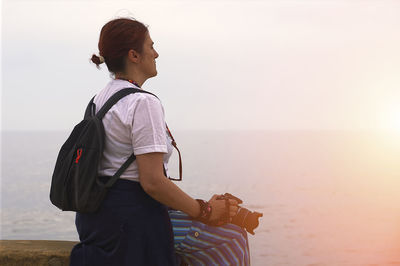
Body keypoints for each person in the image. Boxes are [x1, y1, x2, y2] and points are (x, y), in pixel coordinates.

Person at [69, 17, 240, 266]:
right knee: (231, 237)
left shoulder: (100, 99)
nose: (156, 53)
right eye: (151, 46)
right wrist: (205, 211)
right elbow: (152, 183)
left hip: (96, 220)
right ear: (134, 55)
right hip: (131, 225)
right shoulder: (143, 102)